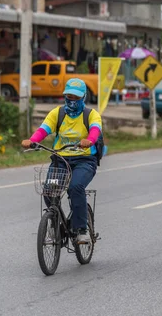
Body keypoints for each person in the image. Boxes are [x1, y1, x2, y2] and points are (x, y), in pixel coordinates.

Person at [21, 78, 103, 244]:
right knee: (49, 191)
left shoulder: (91, 115)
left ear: (83, 97)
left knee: (75, 187)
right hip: (60, 160)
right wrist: (32, 140)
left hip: (84, 160)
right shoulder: (57, 114)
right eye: (69, 96)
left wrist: (90, 140)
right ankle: (55, 221)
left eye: (76, 97)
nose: (72, 100)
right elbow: (44, 129)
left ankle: (81, 230)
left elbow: (95, 129)